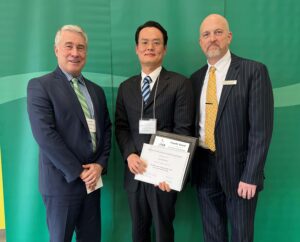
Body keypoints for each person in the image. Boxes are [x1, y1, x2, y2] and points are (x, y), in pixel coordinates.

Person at [190, 14, 274, 242]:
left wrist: (251, 175)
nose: (212, 39)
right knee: (212, 236)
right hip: (204, 169)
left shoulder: (253, 71)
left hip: (241, 173)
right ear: (200, 42)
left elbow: (261, 131)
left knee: (241, 236)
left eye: (218, 32)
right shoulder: (195, 79)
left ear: (229, 37)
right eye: (206, 34)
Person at [27, 25, 111, 242]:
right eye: (69, 46)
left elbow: (106, 130)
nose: (75, 52)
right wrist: (79, 172)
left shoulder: (96, 91)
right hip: (60, 185)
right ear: (56, 50)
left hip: (93, 184)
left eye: (81, 47)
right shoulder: (40, 86)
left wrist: (100, 165)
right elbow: (45, 136)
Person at [115, 20, 194, 242]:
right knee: (138, 232)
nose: (150, 47)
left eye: (156, 43)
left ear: (165, 49)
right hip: (135, 172)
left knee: (163, 233)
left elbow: (183, 130)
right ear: (137, 48)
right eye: (145, 42)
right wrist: (129, 154)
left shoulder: (180, 84)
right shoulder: (126, 87)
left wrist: (170, 171)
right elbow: (121, 127)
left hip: (164, 178)